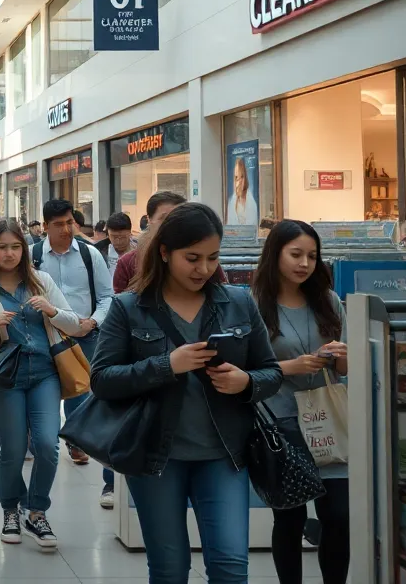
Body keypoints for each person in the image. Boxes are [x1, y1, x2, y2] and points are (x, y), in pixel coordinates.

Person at [90, 203, 282, 584]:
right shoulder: (130, 308)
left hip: (225, 455)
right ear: (164, 253)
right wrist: (166, 365)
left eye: (212, 258)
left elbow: (271, 372)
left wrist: (246, 382)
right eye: (192, 258)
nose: (204, 269)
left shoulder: (238, 303)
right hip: (156, 456)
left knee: (230, 568)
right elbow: (102, 379)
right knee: (169, 569)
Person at [0, 218, 83, 548]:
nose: (9, 254)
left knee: (46, 446)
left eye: (16, 247)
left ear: (24, 250)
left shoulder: (41, 282)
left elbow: (76, 324)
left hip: (44, 375)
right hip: (3, 378)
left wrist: (51, 310)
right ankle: (11, 509)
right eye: (2, 247)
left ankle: (36, 512)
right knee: (13, 450)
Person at [253, 221, 349, 584]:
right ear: (275, 254)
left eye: (311, 256)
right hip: (282, 426)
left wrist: (341, 355)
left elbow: (345, 366)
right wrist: (290, 366)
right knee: (289, 518)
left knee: (338, 516)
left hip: (331, 422)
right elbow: (247, 369)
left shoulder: (327, 300)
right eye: (295, 254)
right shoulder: (255, 305)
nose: (304, 263)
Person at [34, 200, 113, 484]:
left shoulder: (90, 255)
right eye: (58, 225)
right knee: (45, 388)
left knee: (79, 389)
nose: (66, 229)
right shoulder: (33, 257)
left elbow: (107, 297)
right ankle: (39, 436)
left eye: (69, 222)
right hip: (45, 336)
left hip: (84, 334)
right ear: (45, 227)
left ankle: (75, 439)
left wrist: (93, 322)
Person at [113, 192, 187, 293]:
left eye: (178, 218)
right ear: (149, 220)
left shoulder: (199, 257)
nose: (172, 224)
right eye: (164, 218)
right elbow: (120, 304)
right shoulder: (128, 263)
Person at [227, 156, 259, 226]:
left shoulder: (252, 204)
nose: (239, 182)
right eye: (236, 178)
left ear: (245, 177)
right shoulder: (231, 204)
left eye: (241, 177)